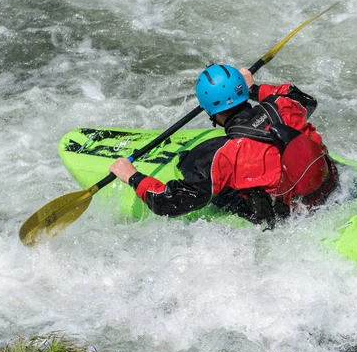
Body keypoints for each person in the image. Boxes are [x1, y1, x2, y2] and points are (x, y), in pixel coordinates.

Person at [109, 64, 338, 229]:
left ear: (210, 110)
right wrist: (254, 88)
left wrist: (134, 178)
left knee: (203, 177)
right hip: (330, 184)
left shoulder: (220, 154)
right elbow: (303, 99)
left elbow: (171, 202)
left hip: (288, 217)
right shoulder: (283, 105)